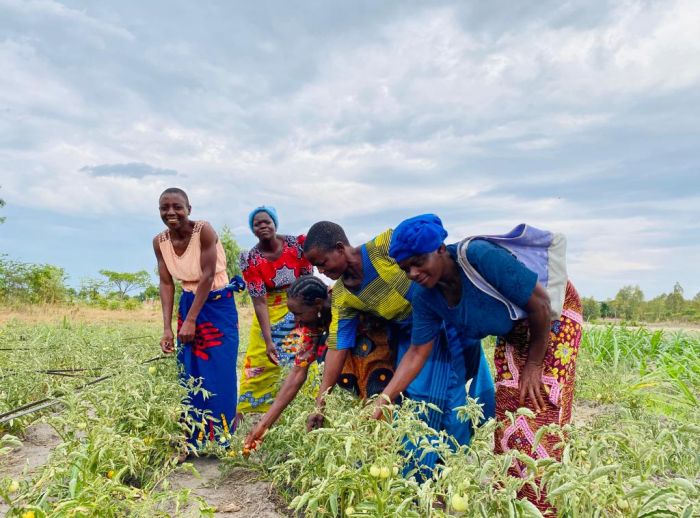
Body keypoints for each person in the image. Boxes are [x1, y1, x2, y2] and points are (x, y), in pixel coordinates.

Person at [384, 214, 582, 510]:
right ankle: (512, 499)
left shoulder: (479, 257)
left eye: (418, 262)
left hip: (551, 318)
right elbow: (416, 352)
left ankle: (544, 504)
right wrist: (384, 399)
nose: (413, 272)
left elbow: (541, 305)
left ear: (439, 249)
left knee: (540, 403)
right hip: (514, 326)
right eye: (405, 268)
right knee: (508, 407)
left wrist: (534, 365)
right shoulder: (425, 296)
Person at [303, 221, 492, 475]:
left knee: (450, 399)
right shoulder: (342, 296)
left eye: (322, 262)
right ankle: (421, 473)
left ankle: (455, 470)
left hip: (445, 328)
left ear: (339, 248)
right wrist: (320, 404)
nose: (320, 270)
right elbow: (338, 347)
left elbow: (430, 261)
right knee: (413, 401)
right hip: (410, 341)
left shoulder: (383, 248)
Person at [153, 187, 242, 451]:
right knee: (190, 369)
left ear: (189, 209)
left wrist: (191, 321)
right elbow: (166, 283)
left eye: (177, 207)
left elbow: (207, 275)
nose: (171, 212)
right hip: (189, 302)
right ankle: (194, 438)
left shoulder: (204, 230)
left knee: (220, 370)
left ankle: (223, 439)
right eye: (164, 208)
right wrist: (167, 328)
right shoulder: (160, 242)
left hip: (217, 303)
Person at [237, 206, 313, 415]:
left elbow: (308, 280)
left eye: (266, 222)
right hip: (268, 311)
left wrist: (307, 316)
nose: (262, 226)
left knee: (301, 357)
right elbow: (259, 301)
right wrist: (269, 339)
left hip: (299, 307)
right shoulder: (250, 258)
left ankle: (299, 409)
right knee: (260, 360)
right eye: (257, 224)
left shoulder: (296, 245)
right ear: (252, 229)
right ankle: (252, 411)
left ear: (275, 223)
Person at [243, 275, 331, 449]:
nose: (295, 320)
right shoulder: (311, 324)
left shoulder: (342, 307)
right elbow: (298, 372)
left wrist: (319, 406)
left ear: (318, 304)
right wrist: (263, 425)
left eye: (298, 314)